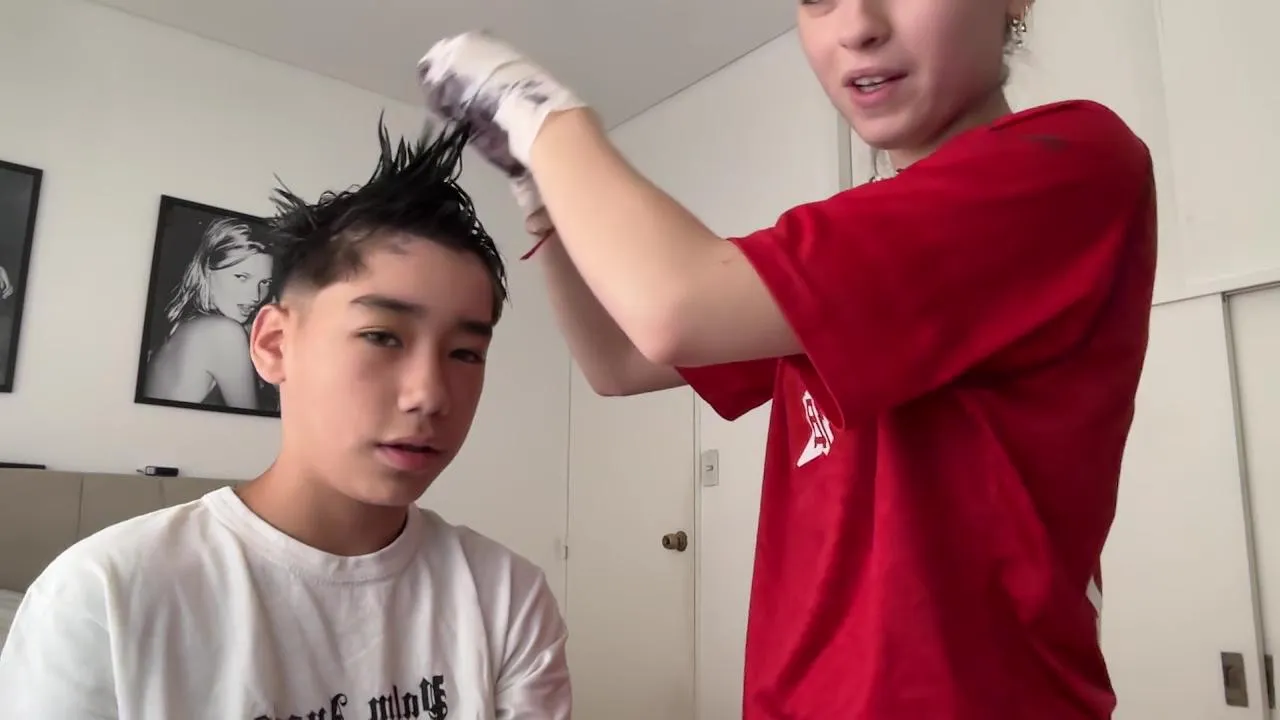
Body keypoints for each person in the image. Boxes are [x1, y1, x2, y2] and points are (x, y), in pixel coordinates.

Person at [415, 0, 1158, 717]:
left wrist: (545, 115)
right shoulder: (855, 250)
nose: (858, 27)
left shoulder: (1071, 161)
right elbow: (619, 361)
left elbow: (674, 306)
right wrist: (543, 202)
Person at [0, 120, 572, 718]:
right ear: (274, 344)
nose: (429, 395)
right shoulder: (106, 596)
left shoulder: (507, 598)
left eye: (465, 353)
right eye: (381, 336)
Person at [143, 217, 274, 410]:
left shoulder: (186, 324)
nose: (256, 296)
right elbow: (255, 423)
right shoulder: (223, 333)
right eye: (241, 277)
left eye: (265, 282)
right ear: (207, 270)